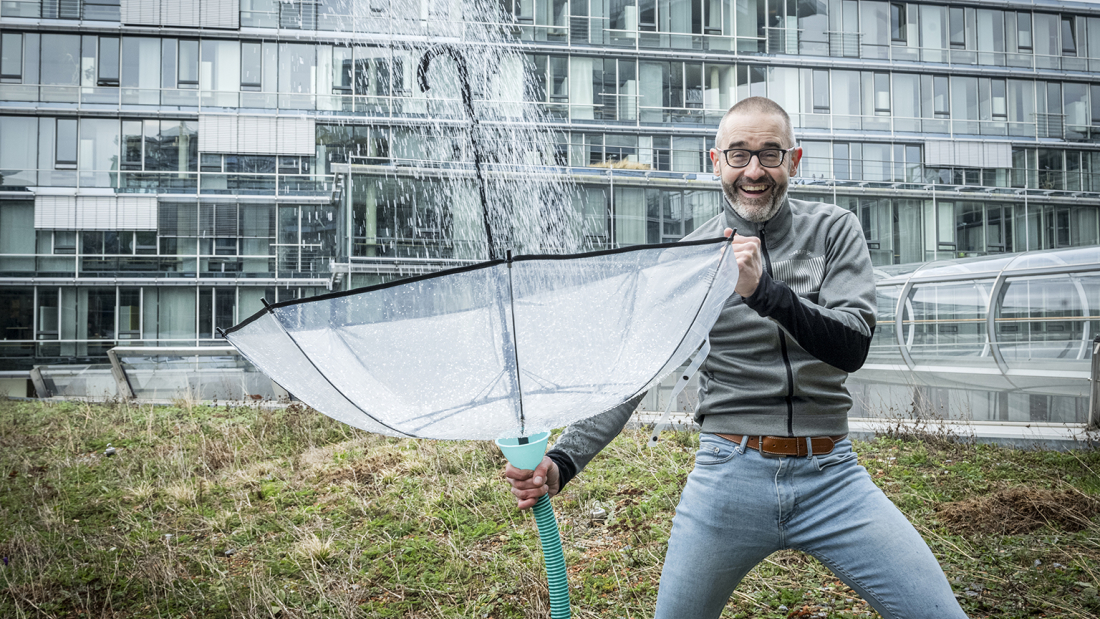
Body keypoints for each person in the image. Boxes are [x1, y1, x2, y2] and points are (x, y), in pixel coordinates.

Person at [504, 97, 969, 619]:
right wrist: (564, 461)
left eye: (770, 155)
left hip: (831, 475)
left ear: (794, 161)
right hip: (727, 475)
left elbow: (852, 345)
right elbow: (634, 376)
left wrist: (764, 291)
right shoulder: (689, 261)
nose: (754, 171)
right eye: (739, 155)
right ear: (716, 162)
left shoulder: (835, 230)